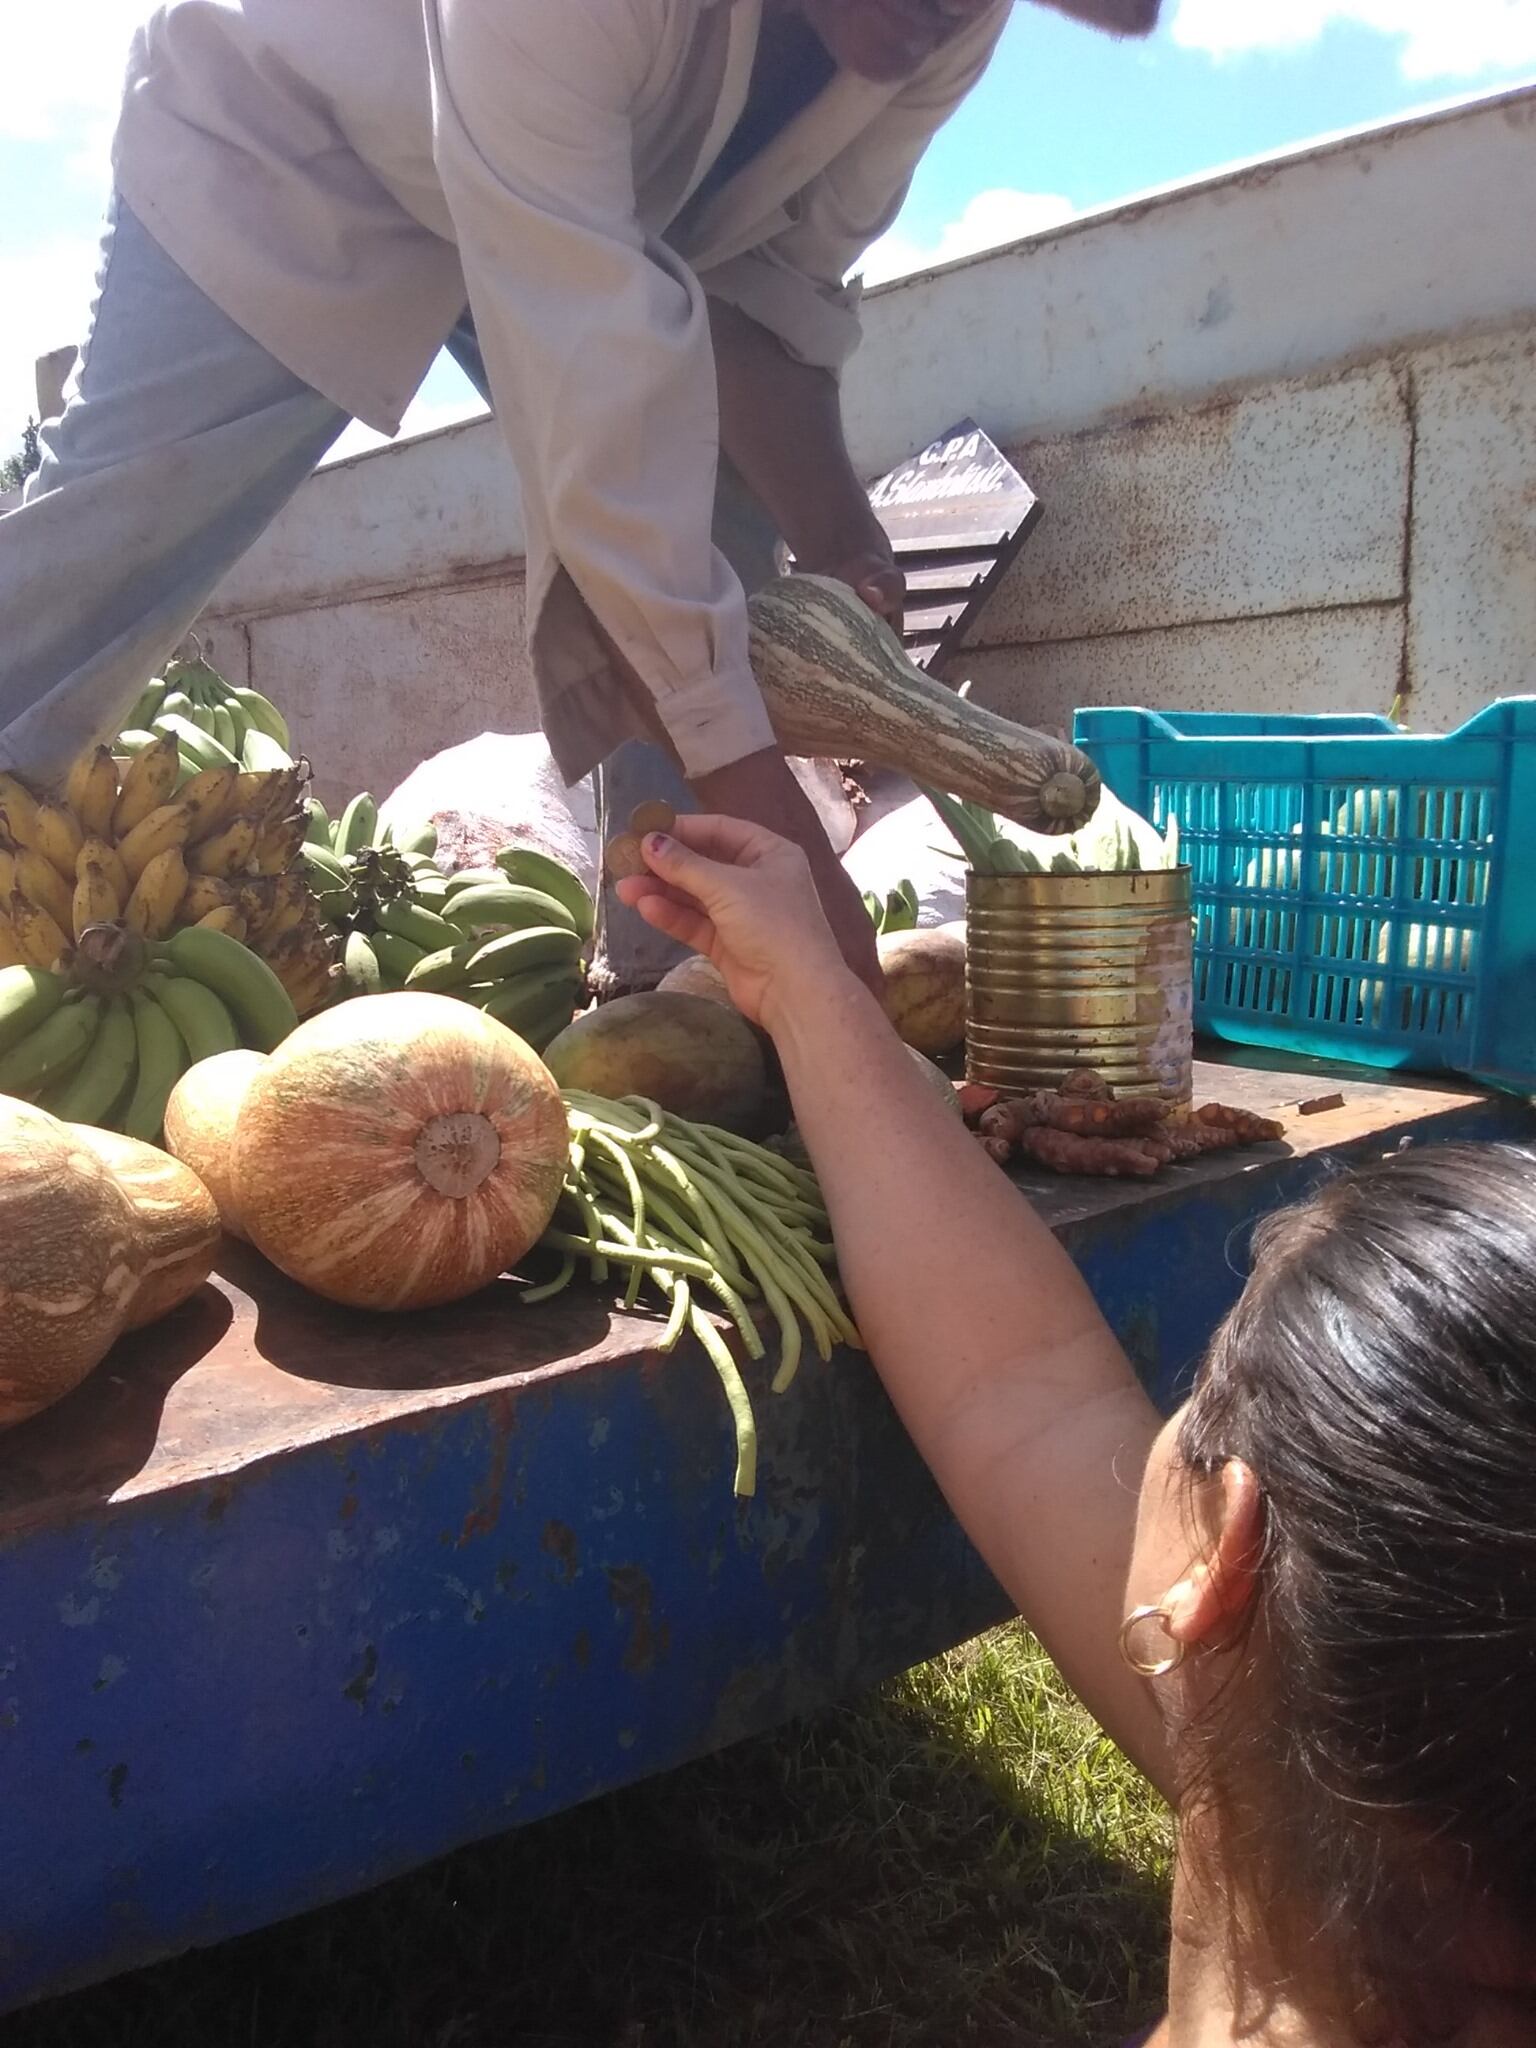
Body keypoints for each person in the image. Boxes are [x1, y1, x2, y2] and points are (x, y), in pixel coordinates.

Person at [0, 0, 1160, 989]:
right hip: (291, 134)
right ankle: (769, 952)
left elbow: (768, 295)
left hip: (590, 203)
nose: (939, 17)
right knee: (109, 541)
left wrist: (843, 536)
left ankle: (686, 993)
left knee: (717, 520)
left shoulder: (941, 23)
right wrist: (791, 863)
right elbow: (597, 392)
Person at [616, 812, 1536, 2048]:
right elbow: (1016, 1383)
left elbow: (1034, 1394)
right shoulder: (1353, 1806)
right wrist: (807, 991)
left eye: (1205, 1393)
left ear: (1224, 1566)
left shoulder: (1287, 1773)